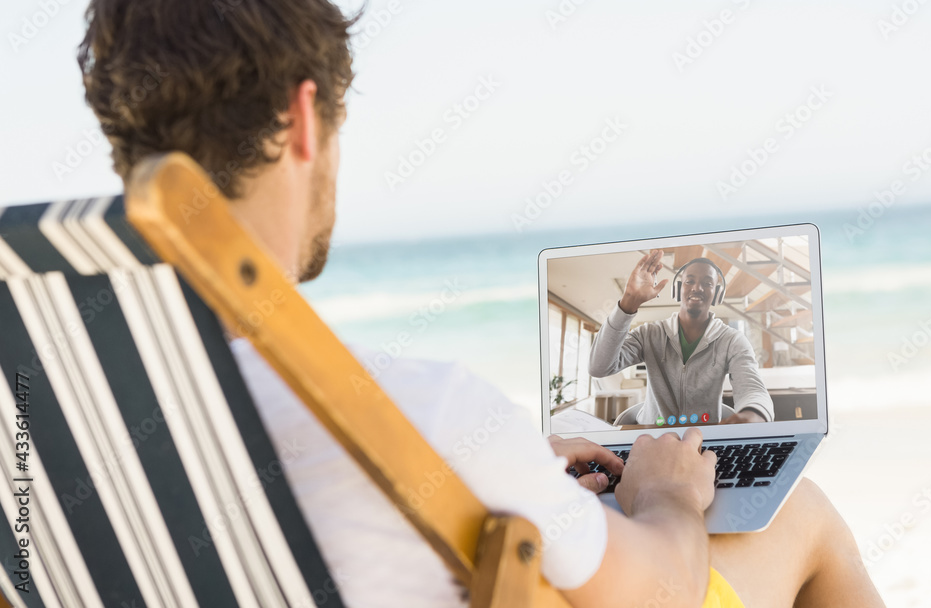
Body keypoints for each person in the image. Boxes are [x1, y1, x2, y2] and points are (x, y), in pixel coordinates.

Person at [76, 1, 883, 606]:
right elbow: (660, 595)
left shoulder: (48, 405)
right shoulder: (429, 408)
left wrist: (518, 468)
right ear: (302, 120)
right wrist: (669, 493)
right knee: (803, 517)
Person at [590, 250, 774, 426]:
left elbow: (752, 387)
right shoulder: (649, 334)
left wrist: (754, 414)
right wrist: (628, 302)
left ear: (717, 294)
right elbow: (599, 367)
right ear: (678, 289)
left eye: (708, 283)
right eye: (690, 281)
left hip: (702, 438)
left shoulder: (732, 341)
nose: (697, 288)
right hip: (652, 436)